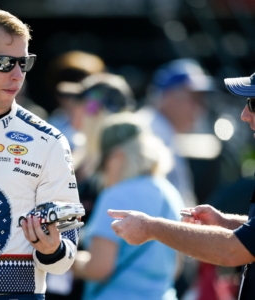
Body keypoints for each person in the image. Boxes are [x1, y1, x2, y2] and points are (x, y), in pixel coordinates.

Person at [0, 7, 80, 299]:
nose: (16, 75)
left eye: (23, 63)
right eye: (3, 62)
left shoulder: (48, 141)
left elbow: (67, 253)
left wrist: (53, 249)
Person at [108, 72, 255, 300]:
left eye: (252, 104)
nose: (244, 115)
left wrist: (151, 228)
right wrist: (226, 223)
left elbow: (233, 251)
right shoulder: (151, 128)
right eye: (193, 97)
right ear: (169, 96)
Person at [72, 112, 185, 300]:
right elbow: (176, 268)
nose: (103, 173)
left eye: (103, 164)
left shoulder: (116, 196)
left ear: (117, 157)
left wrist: (65, 260)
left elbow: (99, 267)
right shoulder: (170, 193)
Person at [137, 58, 214, 207]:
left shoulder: (162, 130)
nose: (201, 107)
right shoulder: (146, 132)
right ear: (169, 97)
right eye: (195, 98)